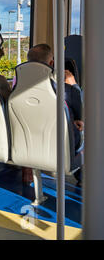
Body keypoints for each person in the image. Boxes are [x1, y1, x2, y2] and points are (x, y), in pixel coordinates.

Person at [26, 43, 84, 184]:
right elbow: (81, 112)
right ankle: (82, 178)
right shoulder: (64, 90)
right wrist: (74, 84)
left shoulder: (19, 87)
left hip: (30, 141)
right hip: (61, 144)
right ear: (51, 63)